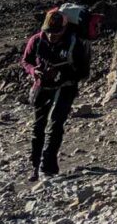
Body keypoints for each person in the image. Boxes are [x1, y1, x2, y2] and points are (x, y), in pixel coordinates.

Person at [20, 9, 91, 180]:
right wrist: (34, 71)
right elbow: (25, 61)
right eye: (49, 32)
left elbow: (84, 72)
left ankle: (48, 167)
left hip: (65, 87)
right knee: (38, 127)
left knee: (55, 124)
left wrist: (61, 74)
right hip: (41, 86)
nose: (51, 36)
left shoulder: (74, 43)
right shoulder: (36, 41)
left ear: (64, 29)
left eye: (56, 32)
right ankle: (35, 167)